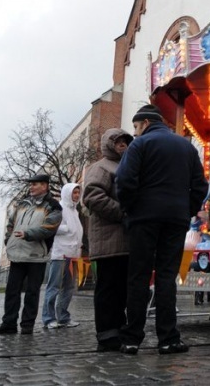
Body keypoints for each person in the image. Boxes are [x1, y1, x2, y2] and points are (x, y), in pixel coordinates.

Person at [115, 104, 209, 355]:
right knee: (167, 277)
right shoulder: (186, 147)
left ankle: (132, 338)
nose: (134, 133)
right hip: (175, 220)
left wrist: (130, 208)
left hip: (143, 219)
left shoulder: (139, 145)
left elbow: (124, 181)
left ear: (145, 123)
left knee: (139, 276)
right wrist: (186, 210)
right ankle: (168, 338)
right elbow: (200, 186)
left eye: (135, 127)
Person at [0, 173, 62, 335]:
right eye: (31, 184)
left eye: (35, 184)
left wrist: (28, 234)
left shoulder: (53, 205)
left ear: (45, 186)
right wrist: (9, 240)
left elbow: (50, 227)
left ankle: (27, 325)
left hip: (37, 256)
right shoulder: (22, 204)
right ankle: (8, 324)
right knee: (12, 291)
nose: (31, 187)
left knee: (32, 292)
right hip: (17, 254)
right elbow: (10, 224)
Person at [83, 128, 134, 352]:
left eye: (125, 141)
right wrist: (123, 213)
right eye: (118, 142)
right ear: (109, 144)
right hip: (107, 239)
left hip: (125, 241)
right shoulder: (101, 167)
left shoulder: (128, 166)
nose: (123, 145)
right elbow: (93, 196)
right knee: (108, 289)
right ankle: (106, 334)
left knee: (122, 289)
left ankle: (119, 328)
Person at [41, 183, 83, 329]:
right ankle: (48, 318)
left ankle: (63, 317)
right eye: (74, 193)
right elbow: (49, 226)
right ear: (67, 193)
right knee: (53, 287)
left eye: (78, 193)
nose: (77, 195)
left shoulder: (75, 211)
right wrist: (66, 228)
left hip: (73, 255)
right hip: (60, 254)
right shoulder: (59, 208)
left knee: (69, 288)